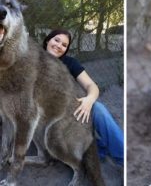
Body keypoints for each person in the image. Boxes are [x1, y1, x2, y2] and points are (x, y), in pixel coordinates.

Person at [42, 29, 123, 166]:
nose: (59, 46)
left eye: (64, 45)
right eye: (56, 40)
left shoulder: (70, 63)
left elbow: (92, 85)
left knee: (98, 109)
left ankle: (122, 158)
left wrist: (89, 100)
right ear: (47, 41)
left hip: (71, 110)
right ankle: (97, 149)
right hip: (46, 118)